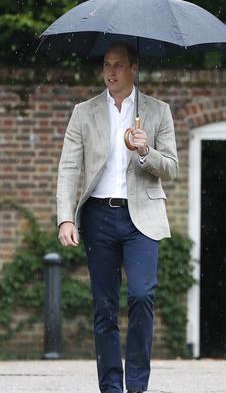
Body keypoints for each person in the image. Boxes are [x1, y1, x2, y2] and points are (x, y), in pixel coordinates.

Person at [56, 43, 178, 393]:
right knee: (104, 306)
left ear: (134, 68)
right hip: (98, 216)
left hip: (142, 217)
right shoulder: (84, 112)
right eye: (107, 65)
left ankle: (137, 386)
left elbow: (171, 166)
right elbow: (68, 168)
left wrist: (145, 151)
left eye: (119, 65)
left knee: (141, 296)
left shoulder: (157, 111)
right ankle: (111, 387)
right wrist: (66, 217)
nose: (110, 72)